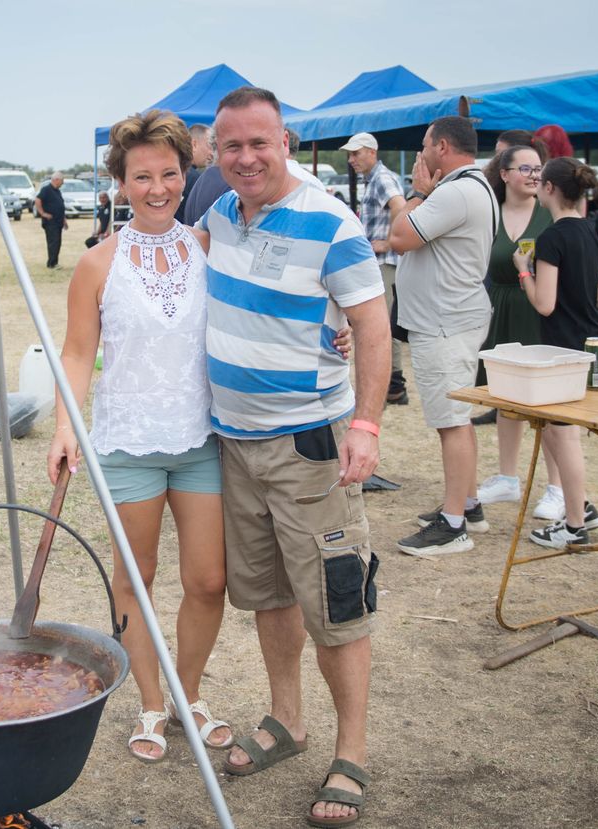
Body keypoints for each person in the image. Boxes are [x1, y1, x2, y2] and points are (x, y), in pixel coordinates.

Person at [201, 87, 388, 828]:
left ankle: (353, 751)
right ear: (215, 152)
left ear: (287, 142)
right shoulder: (219, 213)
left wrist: (367, 425)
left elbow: (374, 327)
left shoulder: (331, 221)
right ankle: (287, 720)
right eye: (231, 146)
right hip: (235, 445)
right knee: (270, 593)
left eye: (259, 143)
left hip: (309, 444)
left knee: (335, 602)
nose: (245, 158)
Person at [48, 110, 233, 768]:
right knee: (138, 576)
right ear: (120, 184)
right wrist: (65, 423)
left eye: (169, 174)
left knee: (210, 579)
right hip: (127, 439)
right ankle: (152, 701)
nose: (158, 188)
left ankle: (190, 691)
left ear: (187, 174)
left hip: (200, 438)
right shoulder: (97, 263)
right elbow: (75, 354)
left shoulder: (212, 250)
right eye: (142, 176)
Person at [389, 115, 498, 556]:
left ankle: (454, 525)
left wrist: (416, 192)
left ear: (443, 148)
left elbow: (400, 236)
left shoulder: (454, 191)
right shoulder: (473, 186)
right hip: (451, 317)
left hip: (445, 321)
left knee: (451, 422)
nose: (421, 155)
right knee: (456, 418)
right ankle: (467, 505)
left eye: (424, 146)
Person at [514, 157, 598, 546]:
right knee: (555, 430)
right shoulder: (588, 230)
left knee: (563, 434)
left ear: (548, 189)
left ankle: (573, 526)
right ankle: (580, 505)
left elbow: (545, 304)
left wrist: (524, 270)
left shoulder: (552, 238)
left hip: (564, 346)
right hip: (592, 340)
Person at [474, 146, 567, 521]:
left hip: (540, 313)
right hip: (498, 309)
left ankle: (558, 488)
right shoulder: (489, 214)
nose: (533, 175)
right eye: (525, 168)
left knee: (548, 406)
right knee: (505, 397)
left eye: (537, 169)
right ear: (505, 173)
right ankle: (507, 478)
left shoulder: (550, 213)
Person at [343, 131, 408, 405]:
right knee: (378, 325)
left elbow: (400, 206)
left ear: (372, 152)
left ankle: (393, 386)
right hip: (380, 263)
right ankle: (394, 386)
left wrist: (390, 241)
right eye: (350, 154)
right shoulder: (376, 178)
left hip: (383, 264)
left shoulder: (381, 178)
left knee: (375, 326)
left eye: (356, 153)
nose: (351, 159)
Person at [174, 123, 212, 224]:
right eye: (209, 145)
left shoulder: (177, 172)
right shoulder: (195, 178)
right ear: (194, 144)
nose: (211, 153)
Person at [34, 172, 67, 268]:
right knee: (53, 242)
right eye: (62, 181)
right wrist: (43, 213)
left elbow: (60, 206)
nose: (63, 183)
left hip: (58, 221)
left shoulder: (57, 191)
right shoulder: (46, 189)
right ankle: (52, 263)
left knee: (57, 242)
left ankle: (54, 261)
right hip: (50, 222)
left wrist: (64, 219)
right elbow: (37, 200)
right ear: (56, 180)